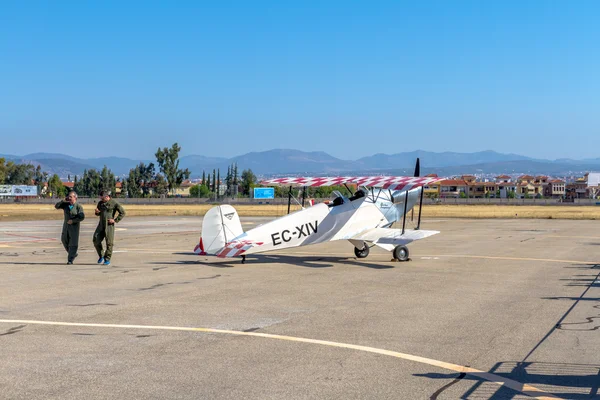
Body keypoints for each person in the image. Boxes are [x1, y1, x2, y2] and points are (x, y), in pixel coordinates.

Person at [93, 190, 126, 265]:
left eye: (103, 197)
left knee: (109, 243)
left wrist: (115, 220)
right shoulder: (100, 203)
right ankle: (101, 255)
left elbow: (122, 212)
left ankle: (107, 259)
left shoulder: (114, 203)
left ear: (107, 197)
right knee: (95, 239)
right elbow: (99, 213)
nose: (101, 199)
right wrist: (97, 212)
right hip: (101, 225)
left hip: (109, 225)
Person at [55, 191, 85, 264]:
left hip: (74, 227)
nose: (69, 198)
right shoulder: (66, 205)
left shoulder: (78, 206)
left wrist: (74, 221)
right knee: (64, 239)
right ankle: (73, 253)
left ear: (75, 198)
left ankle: (70, 259)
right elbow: (57, 206)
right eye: (69, 196)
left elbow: (82, 217)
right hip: (66, 226)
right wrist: (63, 201)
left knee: (73, 243)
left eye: (71, 197)